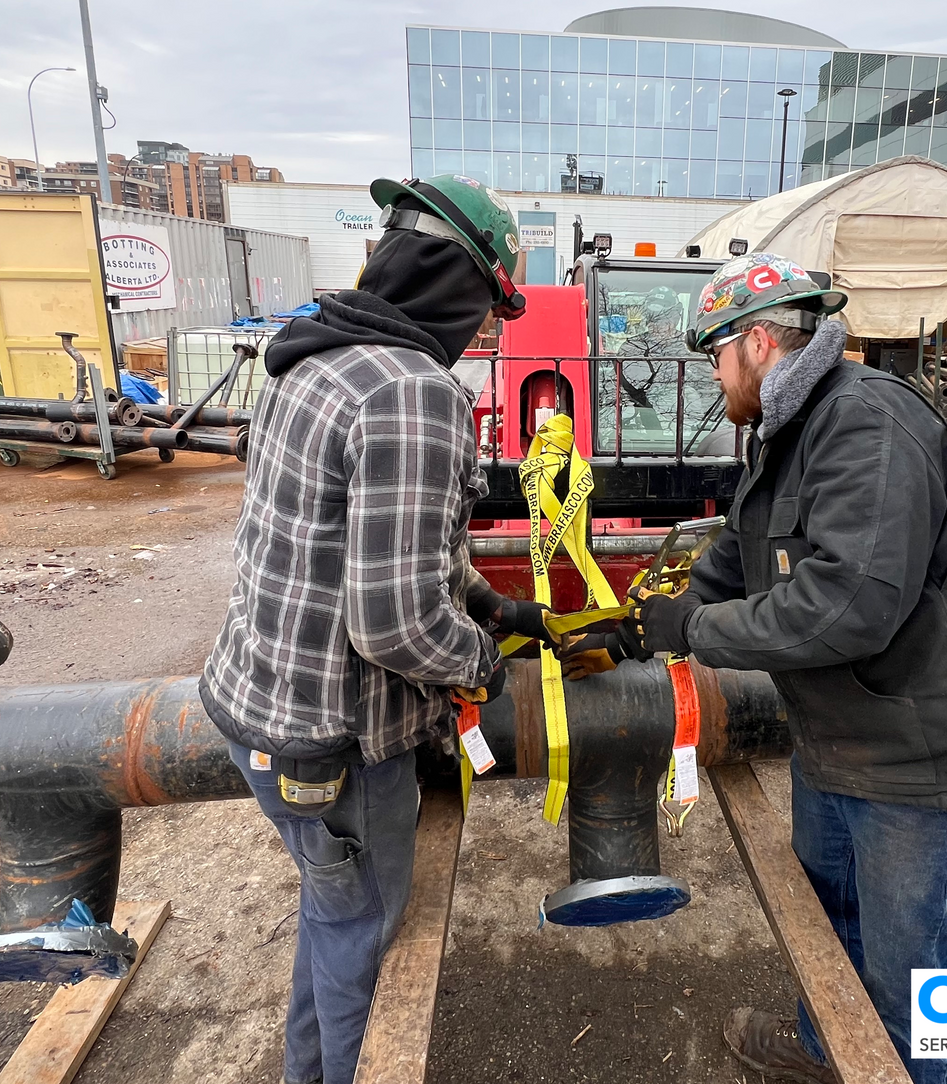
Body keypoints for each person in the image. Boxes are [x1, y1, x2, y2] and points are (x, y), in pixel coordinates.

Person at [560, 253, 947, 1084]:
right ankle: (823, 1052)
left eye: (714, 355)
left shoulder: (865, 424)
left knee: (908, 981)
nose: (713, 375)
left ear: (757, 343)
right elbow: (739, 559)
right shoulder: (793, 429)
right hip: (841, 744)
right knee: (828, 923)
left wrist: (694, 628)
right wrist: (638, 628)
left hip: (919, 763)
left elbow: (848, 604)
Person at [200, 174, 552, 1084]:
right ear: (454, 285)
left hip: (261, 710)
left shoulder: (310, 356)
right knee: (361, 936)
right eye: (484, 313)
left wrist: (495, 606)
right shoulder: (413, 393)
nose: (480, 336)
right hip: (336, 744)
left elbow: (391, 542)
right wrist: (480, 660)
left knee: (333, 917)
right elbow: (393, 622)